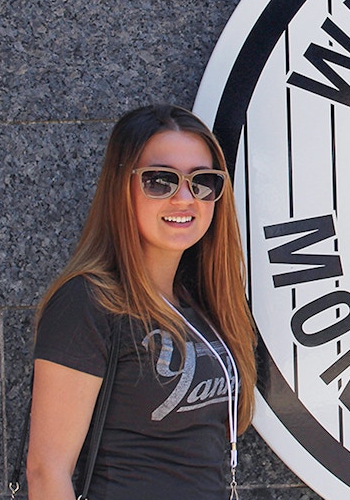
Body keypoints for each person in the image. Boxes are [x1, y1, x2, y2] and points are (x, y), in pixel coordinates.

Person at [27, 104, 256, 500]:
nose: (185, 198)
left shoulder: (202, 303)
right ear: (122, 186)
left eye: (203, 182)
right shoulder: (89, 301)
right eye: (160, 181)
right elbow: (47, 472)